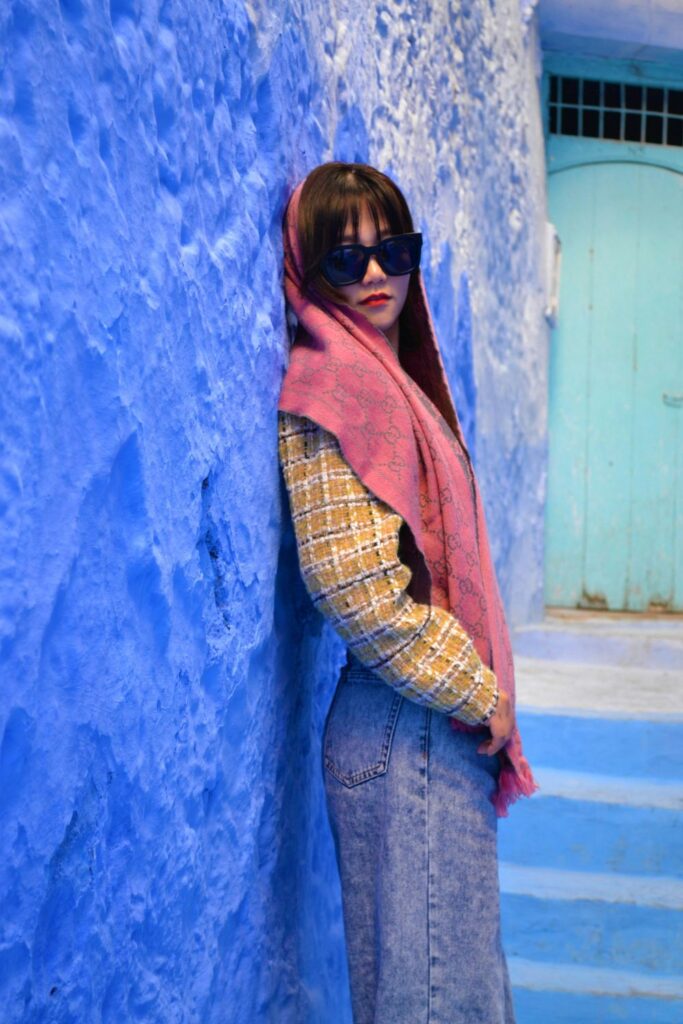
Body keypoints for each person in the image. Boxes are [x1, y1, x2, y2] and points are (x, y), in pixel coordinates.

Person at [277, 161, 538, 1024]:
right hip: (410, 718)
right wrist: (478, 692)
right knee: (434, 1003)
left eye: (394, 249)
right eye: (347, 260)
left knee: (450, 994)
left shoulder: (393, 384)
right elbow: (354, 588)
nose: (379, 275)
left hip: (424, 720)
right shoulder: (329, 385)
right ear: (309, 268)